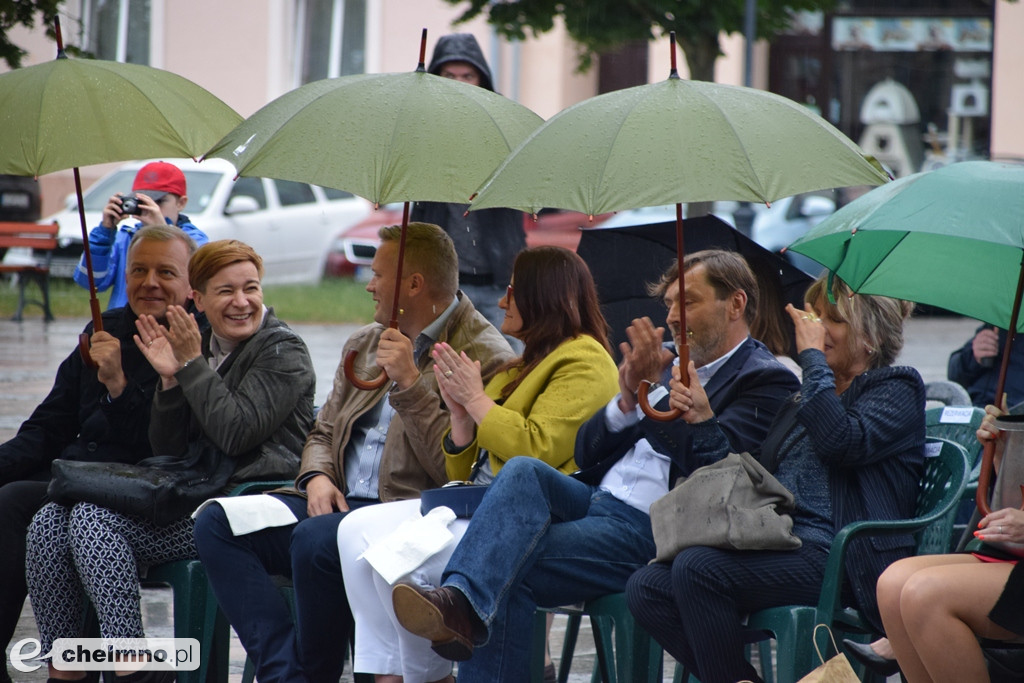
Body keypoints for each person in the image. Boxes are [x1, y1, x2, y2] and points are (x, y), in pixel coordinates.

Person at [391, 249, 800, 681]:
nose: (675, 316)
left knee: (505, 566)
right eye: (669, 304)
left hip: (657, 528)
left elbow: (721, 469)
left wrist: (654, 401)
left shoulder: (765, 378)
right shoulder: (660, 360)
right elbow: (588, 452)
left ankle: (461, 603)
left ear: (736, 304)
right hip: (598, 499)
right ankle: (460, 600)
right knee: (524, 471)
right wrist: (626, 399)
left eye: (689, 302)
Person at [192, 222, 514, 683]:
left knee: (316, 540)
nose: (369, 285)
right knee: (216, 522)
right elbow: (322, 430)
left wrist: (410, 382)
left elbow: (457, 472)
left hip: (398, 515)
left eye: (379, 274)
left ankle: (311, 675)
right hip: (332, 499)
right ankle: (284, 672)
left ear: (414, 284)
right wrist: (318, 476)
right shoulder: (366, 341)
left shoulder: (483, 355)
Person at [26, 238, 315, 683]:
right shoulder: (197, 344)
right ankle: (66, 669)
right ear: (198, 299)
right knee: (48, 520)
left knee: (91, 520)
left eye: (251, 288)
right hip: (193, 494)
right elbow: (168, 448)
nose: (242, 302)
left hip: (243, 510)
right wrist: (168, 381)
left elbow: (235, 434)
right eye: (226, 291)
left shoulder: (281, 351)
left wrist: (190, 366)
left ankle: (132, 667)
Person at [336, 246, 619, 682]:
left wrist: (476, 400)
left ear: (542, 296)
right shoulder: (516, 367)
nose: (503, 301)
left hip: (520, 513)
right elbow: (461, 471)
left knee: (398, 560)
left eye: (512, 291)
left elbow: (535, 451)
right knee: (354, 532)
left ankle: (425, 677)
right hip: (471, 499)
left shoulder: (585, 360)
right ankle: (387, 674)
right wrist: (461, 419)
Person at [625, 273, 924, 683]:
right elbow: (753, 478)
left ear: (869, 336)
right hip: (781, 540)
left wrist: (812, 361)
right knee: (647, 586)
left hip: (843, 556)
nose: (814, 328)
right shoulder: (805, 398)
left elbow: (841, 441)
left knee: (698, 568)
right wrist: (703, 418)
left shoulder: (896, 387)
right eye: (814, 316)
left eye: (830, 320)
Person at [0, 224, 198, 683]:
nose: (149, 282)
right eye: (138, 270)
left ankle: (119, 667)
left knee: (20, 507)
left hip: (140, 493)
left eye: (165, 272)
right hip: (76, 478)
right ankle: (65, 667)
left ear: (191, 287)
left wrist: (118, 387)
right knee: (15, 497)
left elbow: (164, 449)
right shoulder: (104, 329)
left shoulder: (193, 342)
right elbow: (48, 427)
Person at [874, 402, 1024, 683]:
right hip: (1014, 553)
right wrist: (1004, 453)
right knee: (892, 583)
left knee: (925, 593)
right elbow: (1014, 499)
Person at [410, 33, 526, 348]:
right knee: (431, 366)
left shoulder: (505, 128)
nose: (459, 83)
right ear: (435, 79)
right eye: (449, 76)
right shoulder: (420, 131)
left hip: (497, 283)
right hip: (439, 285)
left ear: (481, 80)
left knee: (511, 363)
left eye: (467, 76)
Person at [74, 160, 208, 310]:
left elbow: (198, 285)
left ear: (181, 203)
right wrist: (104, 233)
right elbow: (89, 282)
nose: (150, 208)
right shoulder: (125, 237)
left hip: (170, 323)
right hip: (123, 326)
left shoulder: (195, 240)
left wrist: (163, 232)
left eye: (158, 202)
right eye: (142, 202)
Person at [948, 325, 1024, 408]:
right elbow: (954, 375)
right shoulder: (995, 325)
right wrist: (974, 356)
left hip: (1009, 411)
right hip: (974, 406)